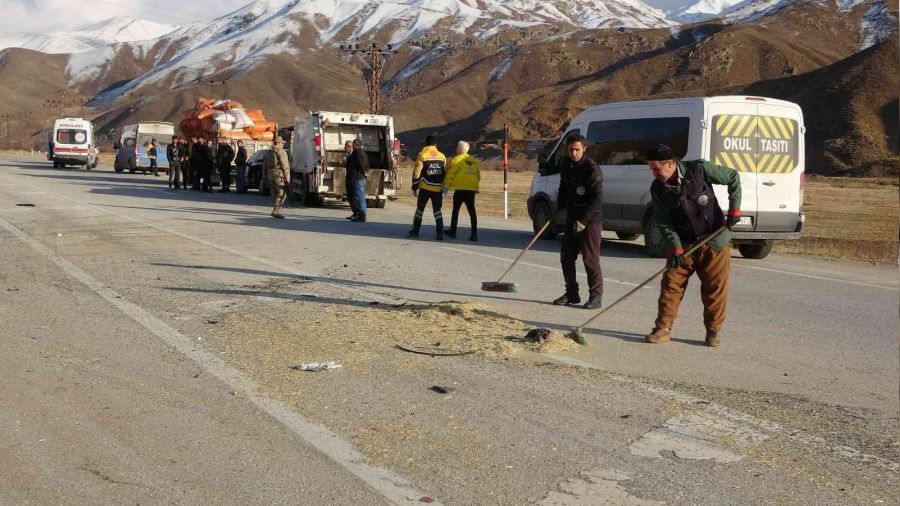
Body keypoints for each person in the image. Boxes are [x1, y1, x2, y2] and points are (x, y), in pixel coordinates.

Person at [644, 144, 742, 348]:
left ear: (670, 164)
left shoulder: (699, 170)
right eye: (651, 169)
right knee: (671, 284)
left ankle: (713, 331)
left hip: (714, 240)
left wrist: (735, 209)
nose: (654, 173)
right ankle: (663, 328)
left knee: (714, 289)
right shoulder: (657, 188)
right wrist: (676, 246)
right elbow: (663, 221)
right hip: (684, 244)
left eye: (656, 169)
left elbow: (733, 177)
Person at [552, 134, 604, 310]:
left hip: (590, 219)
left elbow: (596, 199)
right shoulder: (566, 164)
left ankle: (596, 297)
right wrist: (559, 208)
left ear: (584, 149)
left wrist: (583, 221)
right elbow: (563, 188)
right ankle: (572, 293)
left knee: (590, 259)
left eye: (577, 150)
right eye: (571, 150)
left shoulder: (592, 169)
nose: (574, 153)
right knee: (566, 257)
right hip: (572, 216)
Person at [407, 135, 446, 240]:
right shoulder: (442, 156)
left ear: (426, 144)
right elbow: (445, 173)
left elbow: (416, 173)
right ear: (435, 144)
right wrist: (444, 187)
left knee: (420, 210)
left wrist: (414, 187)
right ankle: (440, 233)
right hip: (438, 189)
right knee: (437, 211)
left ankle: (415, 232)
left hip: (425, 187)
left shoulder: (422, 155)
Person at [443, 140, 480, 241]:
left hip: (460, 189)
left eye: (457, 148)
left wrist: (445, 186)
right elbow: (478, 176)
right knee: (472, 211)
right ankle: (474, 234)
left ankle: (453, 231)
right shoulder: (474, 161)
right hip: (471, 190)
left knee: (455, 211)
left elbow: (450, 174)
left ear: (460, 149)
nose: (456, 149)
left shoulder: (457, 160)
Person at [265, 137, 291, 219]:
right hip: (279, 175)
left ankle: (276, 209)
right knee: (281, 193)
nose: (283, 144)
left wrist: (265, 176)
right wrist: (288, 177)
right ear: (278, 143)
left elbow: (264, 165)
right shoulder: (281, 152)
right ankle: (276, 210)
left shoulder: (269, 152)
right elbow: (285, 166)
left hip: (270, 174)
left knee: (274, 192)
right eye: (282, 143)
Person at [345, 139, 369, 222]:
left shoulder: (357, 152)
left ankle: (362, 215)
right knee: (360, 196)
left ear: (355, 145)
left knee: (359, 197)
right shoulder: (363, 152)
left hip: (358, 178)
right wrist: (366, 171)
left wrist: (364, 172)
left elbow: (361, 164)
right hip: (361, 178)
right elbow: (367, 163)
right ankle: (360, 214)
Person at [342, 140, 357, 220]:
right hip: (349, 178)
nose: (344, 148)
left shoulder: (354, 155)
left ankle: (357, 213)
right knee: (350, 197)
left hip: (353, 179)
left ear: (349, 147)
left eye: (345, 147)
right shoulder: (349, 155)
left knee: (353, 197)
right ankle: (354, 213)